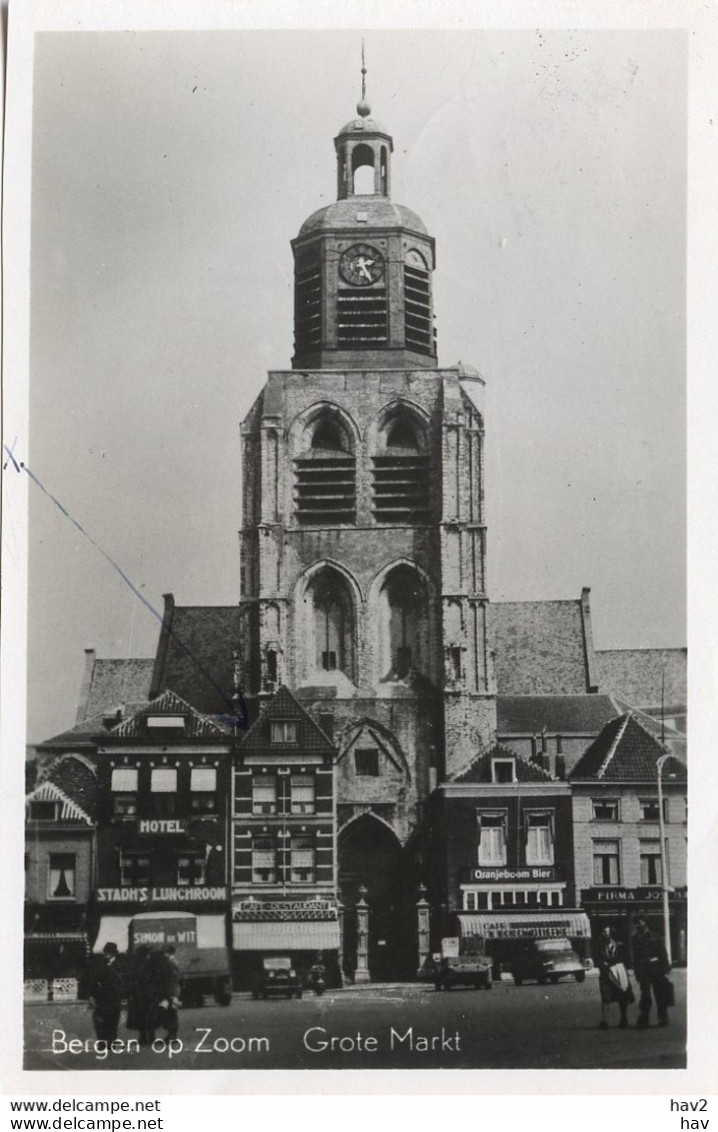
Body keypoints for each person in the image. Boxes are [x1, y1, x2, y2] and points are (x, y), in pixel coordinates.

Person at [632, 917, 671, 1028]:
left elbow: (663, 953)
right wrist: (637, 972)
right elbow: (635, 958)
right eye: (636, 924)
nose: (638, 925)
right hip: (643, 970)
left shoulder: (655, 937)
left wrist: (665, 967)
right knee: (645, 995)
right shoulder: (635, 939)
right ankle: (644, 1017)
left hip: (656, 969)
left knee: (659, 994)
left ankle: (663, 1018)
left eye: (639, 922)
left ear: (645, 923)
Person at [595, 926, 634, 1029]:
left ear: (611, 933)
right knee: (605, 996)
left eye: (606, 932)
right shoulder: (599, 946)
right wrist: (601, 963)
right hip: (605, 974)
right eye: (603, 932)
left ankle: (624, 1018)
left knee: (622, 996)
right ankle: (604, 1020)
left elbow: (627, 958)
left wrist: (629, 969)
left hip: (619, 973)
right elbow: (596, 959)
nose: (604, 934)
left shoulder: (620, 946)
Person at [88, 942, 125, 1044]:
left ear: (113, 953)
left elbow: (121, 980)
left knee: (112, 1022)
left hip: (113, 998)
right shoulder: (102, 964)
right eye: (106, 952)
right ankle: (103, 1041)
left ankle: (110, 1042)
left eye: (108, 953)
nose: (106, 955)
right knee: (102, 1021)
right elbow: (95, 980)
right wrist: (93, 995)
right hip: (103, 998)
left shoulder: (119, 965)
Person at [147, 944, 182, 1042]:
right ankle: (172, 1034)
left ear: (169, 952)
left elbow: (173, 977)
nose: (164, 954)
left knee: (170, 1012)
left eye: (165, 952)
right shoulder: (172, 961)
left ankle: (172, 1035)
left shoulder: (170, 962)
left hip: (171, 990)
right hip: (173, 990)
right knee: (171, 1012)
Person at [125, 944, 153, 1046]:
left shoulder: (136, 965)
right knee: (148, 1017)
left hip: (139, 995)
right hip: (145, 994)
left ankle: (144, 1037)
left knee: (142, 1017)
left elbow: (131, 980)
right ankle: (149, 1037)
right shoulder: (147, 965)